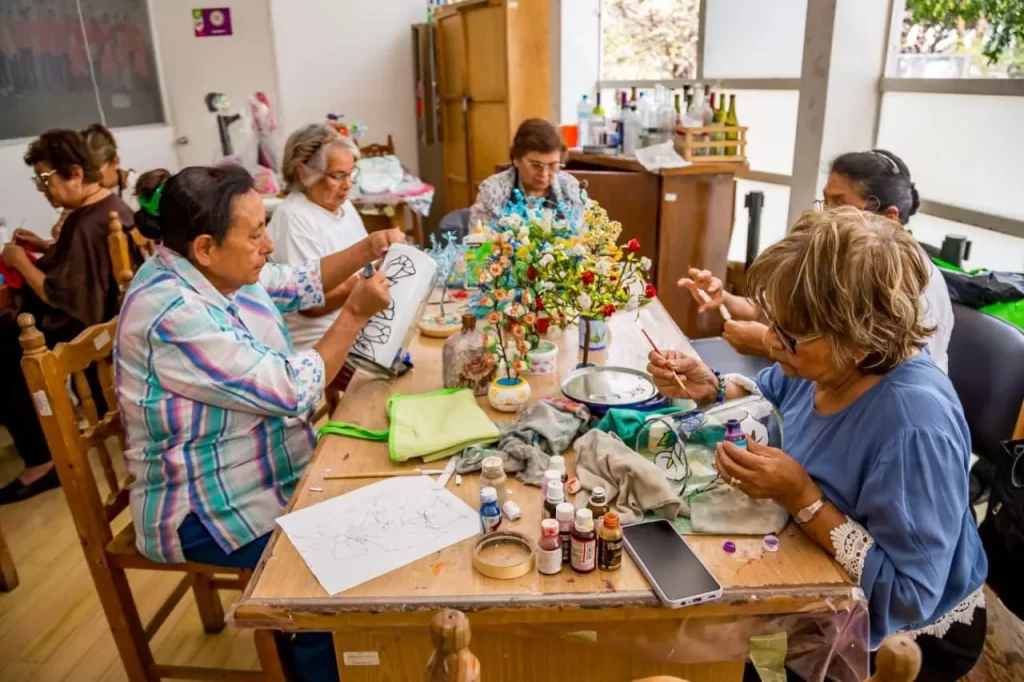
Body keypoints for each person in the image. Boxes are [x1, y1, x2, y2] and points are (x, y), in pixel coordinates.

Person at [649, 207, 986, 682]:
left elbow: (910, 594)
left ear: (859, 336)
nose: (771, 342)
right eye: (774, 324)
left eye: (788, 335)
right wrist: (712, 386)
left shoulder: (914, 427)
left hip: (901, 637)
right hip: (811, 593)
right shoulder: (825, 365)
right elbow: (774, 395)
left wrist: (802, 497)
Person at [115, 165, 402, 682]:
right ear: (204, 246)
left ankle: (343, 653)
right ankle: (313, 663)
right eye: (255, 235)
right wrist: (354, 315)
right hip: (205, 504)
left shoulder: (213, 270)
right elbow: (293, 389)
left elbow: (296, 282)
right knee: (335, 560)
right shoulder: (173, 312)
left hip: (268, 468)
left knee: (383, 495)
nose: (268, 245)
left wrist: (366, 249)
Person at [680, 148, 954, 373]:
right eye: (826, 202)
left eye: (840, 203)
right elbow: (770, 313)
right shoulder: (841, 261)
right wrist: (725, 299)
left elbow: (863, 367)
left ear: (889, 218)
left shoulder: (912, 286)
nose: (826, 216)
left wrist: (766, 343)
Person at [0, 129, 136, 504]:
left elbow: (67, 298)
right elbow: (79, 270)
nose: (43, 190)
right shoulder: (100, 211)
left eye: (46, 179)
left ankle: (41, 459)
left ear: (75, 173)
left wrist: (18, 263)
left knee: (5, 354)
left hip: (84, 342)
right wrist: (45, 247)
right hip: (99, 331)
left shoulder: (90, 222)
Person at [267, 123, 368, 351]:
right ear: (304, 173)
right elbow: (310, 304)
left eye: (351, 174)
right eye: (337, 176)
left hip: (356, 327)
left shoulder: (344, 207)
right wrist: (364, 279)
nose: (348, 185)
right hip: (320, 343)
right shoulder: (294, 218)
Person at [469, 117, 584, 229]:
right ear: (516, 159)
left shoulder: (570, 188)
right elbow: (476, 242)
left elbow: (583, 235)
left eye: (552, 165)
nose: (544, 174)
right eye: (535, 165)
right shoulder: (492, 190)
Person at [82, 123, 138, 210]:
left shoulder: (139, 189)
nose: (91, 180)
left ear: (115, 161)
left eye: (95, 172)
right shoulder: (82, 192)